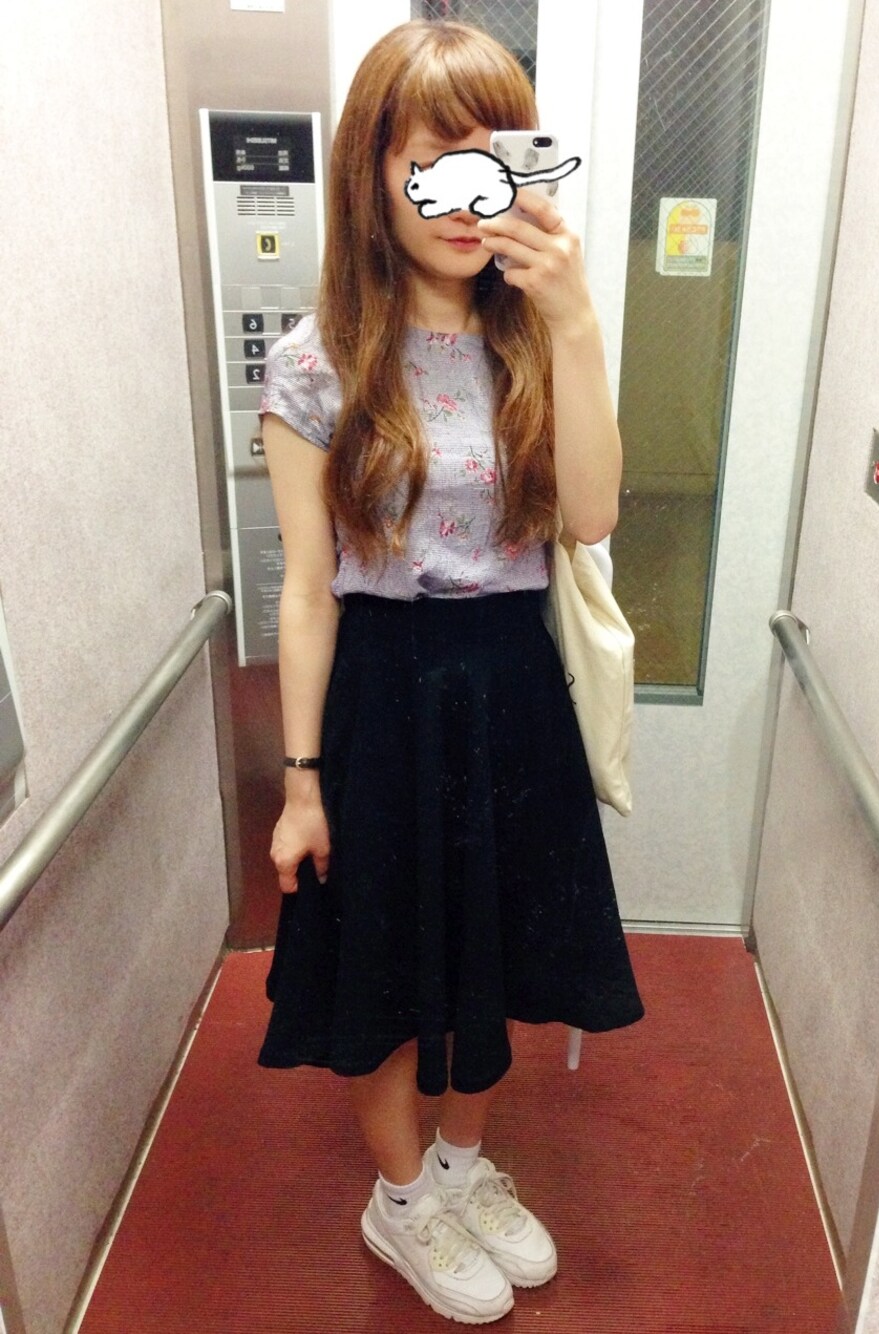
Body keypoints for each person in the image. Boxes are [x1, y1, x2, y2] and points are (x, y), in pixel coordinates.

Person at [256, 18, 644, 1326]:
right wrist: (300, 782)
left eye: (495, 160)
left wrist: (575, 319)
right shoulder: (314, 363)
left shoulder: (533, 335)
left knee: (499, 944)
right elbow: (307, 589)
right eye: (436, 164)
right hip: (380, 692)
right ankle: (402, 1193)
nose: (470, 198)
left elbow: (591, 514)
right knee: (378, 966)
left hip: (511, 687)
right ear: (376, 173)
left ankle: (467, 1165)